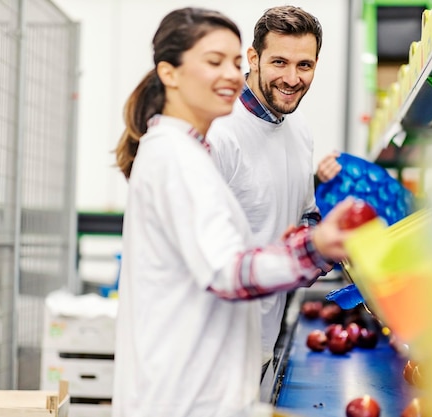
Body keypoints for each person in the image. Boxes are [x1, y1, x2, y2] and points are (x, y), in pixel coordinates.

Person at [112, 7, 355, 417]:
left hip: (229, 362)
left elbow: (277, 224)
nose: (229, 74)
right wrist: (316, 247)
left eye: (232, 63)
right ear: (170, 73)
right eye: (213, 62)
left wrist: (325, 211)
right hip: (182, 383)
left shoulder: (190, 148)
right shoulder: (180, 158)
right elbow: (228, 270)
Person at [207, 5, 331, 378]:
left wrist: (330, 210)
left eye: (305, 66)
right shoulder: (220, 132)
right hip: (213, 352)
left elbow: (303, 215)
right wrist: (314, 253)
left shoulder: (300, 130)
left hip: (262, 342)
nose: (292, 78)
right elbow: (207, 259)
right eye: (279, 62)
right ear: (253, 58)